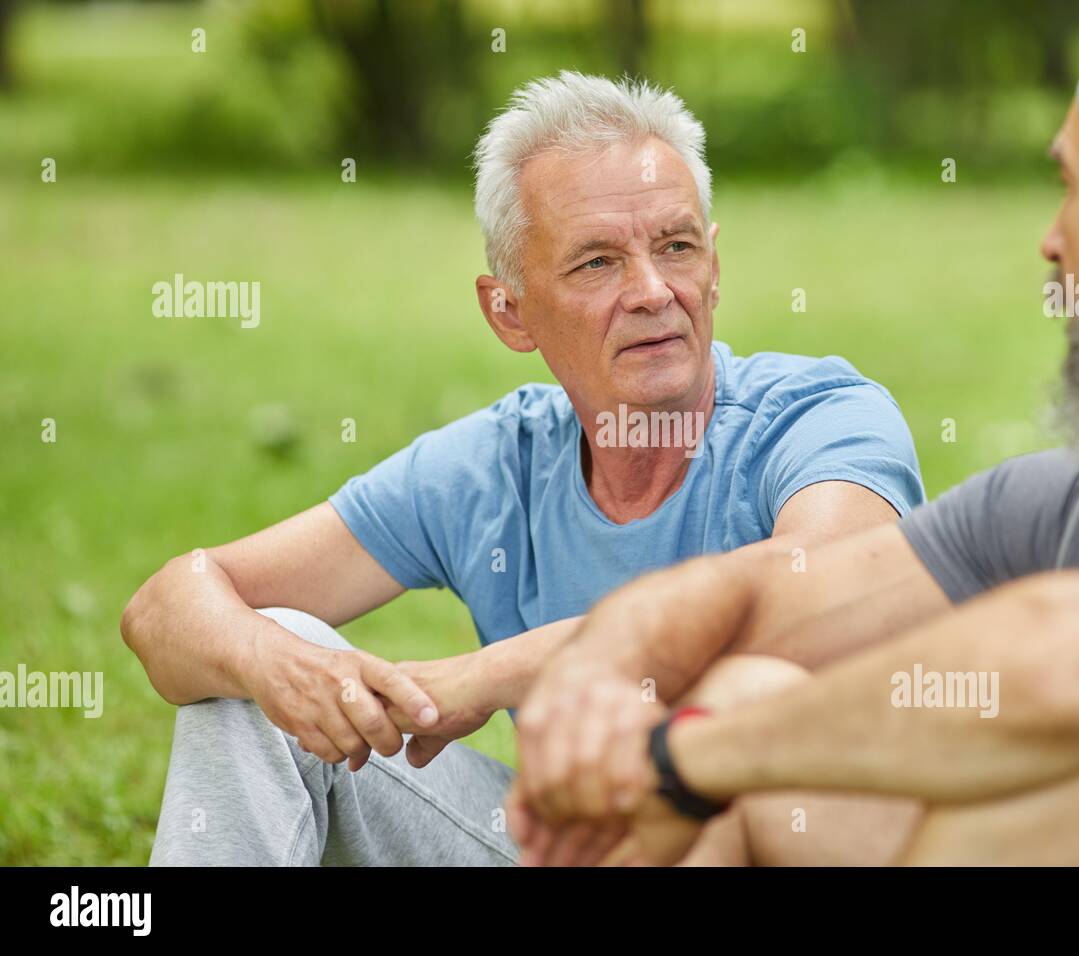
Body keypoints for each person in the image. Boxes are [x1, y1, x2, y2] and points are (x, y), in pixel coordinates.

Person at [508, 0, 1079, 867]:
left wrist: (687, 755)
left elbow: (1060, 674)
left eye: (1072, 188)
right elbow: (776, 596)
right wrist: (609, 665)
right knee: (744, 691)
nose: (1049, 241)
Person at [120, 71, 924, 865]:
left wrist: (488, 675)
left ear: (713, 265)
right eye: (597, 264)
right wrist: (277, 667)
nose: (652, 291)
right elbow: (170, 606)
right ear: (510, 311)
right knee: (265, 665)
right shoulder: (495, 464)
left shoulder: (818, 416)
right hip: (569, 851)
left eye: (676, 247)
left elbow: (835, 581)